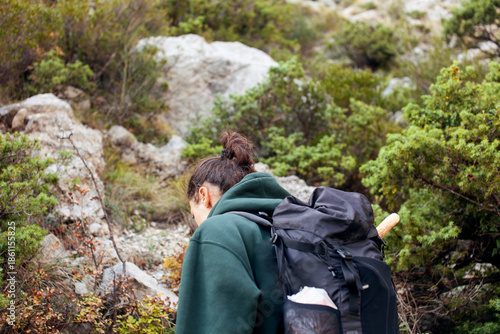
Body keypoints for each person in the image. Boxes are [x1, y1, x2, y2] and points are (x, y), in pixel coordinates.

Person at [175, 131, 291, 334]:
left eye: (194, 216)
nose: (197, 226)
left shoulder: (217, 231)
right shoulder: (289, 227)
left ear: (204, 196)